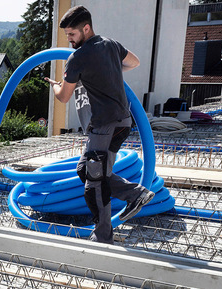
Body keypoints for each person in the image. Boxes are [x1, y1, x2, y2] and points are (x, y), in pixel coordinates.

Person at [44, 5, 155, 244]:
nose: (70, 40)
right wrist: (110, 70)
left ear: (86, 28)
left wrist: (54, 85)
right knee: (86, 171)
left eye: (72, 34)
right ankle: (133, 198)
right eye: (67, 36)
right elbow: (134, 62)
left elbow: (63, 96)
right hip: (123, 122)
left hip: (104, 125)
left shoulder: (78, 58)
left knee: (94, 180)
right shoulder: (111, 44)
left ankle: (107, 230)